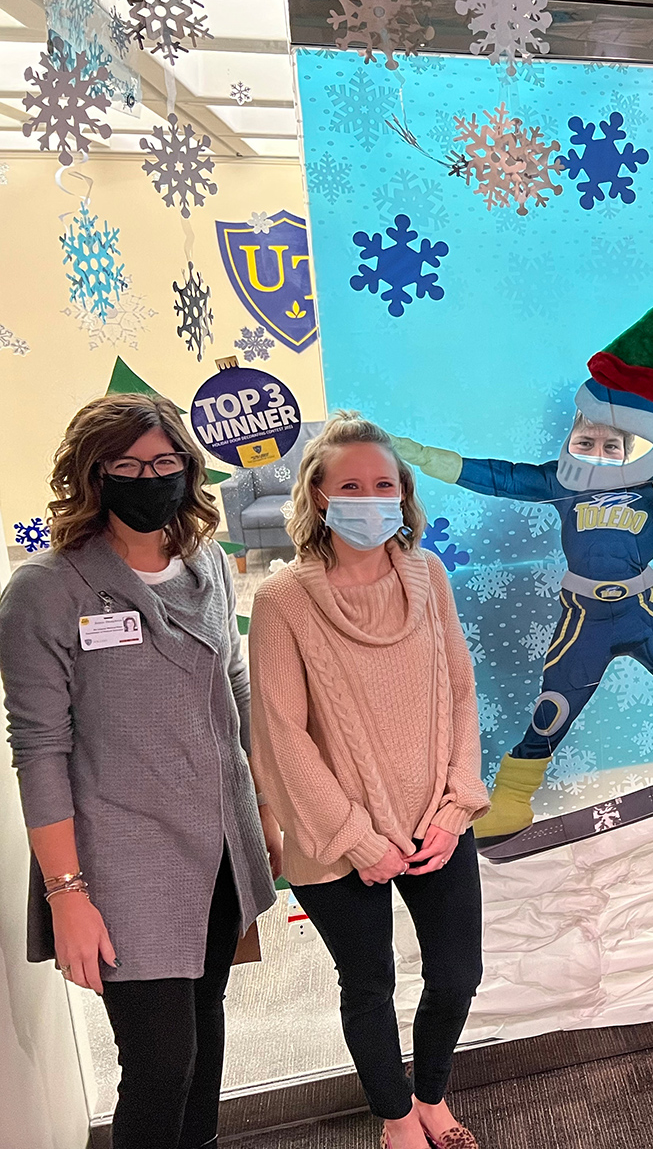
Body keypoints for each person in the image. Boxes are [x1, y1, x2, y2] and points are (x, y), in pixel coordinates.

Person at [0, 393, 277, 1149]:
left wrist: (269, 813)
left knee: (207, 1029)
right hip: (120, 862)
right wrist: (67, 895)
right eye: (125, 466)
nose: (148, 478)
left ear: (187, 469)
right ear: (91, 476)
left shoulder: (207, 562)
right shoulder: (47, 591)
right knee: (161, 1064)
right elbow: (39, 747)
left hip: (219, 843)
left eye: (164, 463)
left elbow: (235, 684)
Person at [395, 294, 653, 842]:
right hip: (584, 615)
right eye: (586, 436)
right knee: (553, 707)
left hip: (643, 606)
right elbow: (500, 476)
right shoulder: (563, 482)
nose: (595, 449)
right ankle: (513, 796)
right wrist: (425, 458)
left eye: (616, 442)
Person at [247, 412, 490, 1149]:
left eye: (384, 484)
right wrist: (356, 839)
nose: (370, 496)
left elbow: (460, 693)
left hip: (435, 820)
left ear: (403, 494)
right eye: (351, 484)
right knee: (370, 985)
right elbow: (281, 737)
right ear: (319, 497)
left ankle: (431, 1094)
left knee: (456, 975)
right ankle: (395, 1119)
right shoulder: (282, 601)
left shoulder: (429, 576)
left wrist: (455, 806)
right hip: (336, 836)